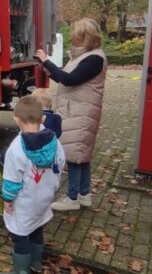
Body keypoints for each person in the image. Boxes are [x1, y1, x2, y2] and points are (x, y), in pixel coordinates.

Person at [35, 18, 107, 212]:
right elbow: (66, 76)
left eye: (75, 34)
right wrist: (50, 71)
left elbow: (69, 79)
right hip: (76, 110)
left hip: (80, 112)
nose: (71, 37)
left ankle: (72, 197)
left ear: (85, 37)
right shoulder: (84, 57)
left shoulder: (94, 59)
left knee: (74, 154)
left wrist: (46, 61)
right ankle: (84, 195)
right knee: (81, 153)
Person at [1, 96, 65, 274]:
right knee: (37, 227)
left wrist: (7, 198)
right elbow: (60, 164)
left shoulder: (16, 148)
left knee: (20, 235)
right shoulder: (56, 142)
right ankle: (36, 263)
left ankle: (21, 271)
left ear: (16, 120)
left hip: (25, 202)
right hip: (44, 198)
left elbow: (12, 179)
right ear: (43, 118)